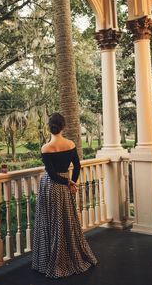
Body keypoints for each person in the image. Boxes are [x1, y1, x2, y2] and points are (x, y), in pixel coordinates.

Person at [32, 112, 97, 278]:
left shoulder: (46, 148)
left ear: (49, 127)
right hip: (65, 185)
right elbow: (77, 166)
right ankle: (66, 256)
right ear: (64, 126)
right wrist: (72, 182)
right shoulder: (70, 144)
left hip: (50, 186)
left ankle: (47, 260)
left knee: (49, 221)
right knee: (65, 221)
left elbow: (52, 175)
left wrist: (68, 184)